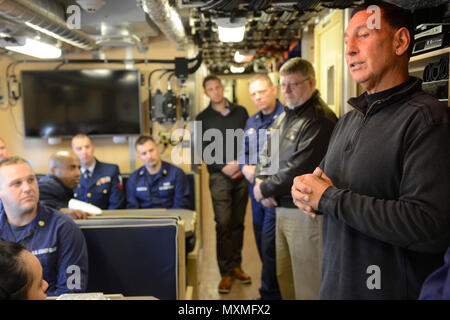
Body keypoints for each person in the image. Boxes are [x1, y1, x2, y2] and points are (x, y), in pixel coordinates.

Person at [291, 1, 450, 299]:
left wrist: (328, 197)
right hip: (337, 286)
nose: (350, 49)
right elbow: (325, 185)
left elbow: (430, 226)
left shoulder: (428, 120)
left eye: (363, 35)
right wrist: (306, 192)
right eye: (347, 39)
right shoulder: (349, 119)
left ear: (400, 41)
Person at [253, 58, 337, 300]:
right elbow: (266, 152)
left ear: (311, 83)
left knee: (307, 282)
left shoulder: (319, 119)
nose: (286, 91)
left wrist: (264, 189)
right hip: (280, 209)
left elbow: (297, 167)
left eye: (293, 84)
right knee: (285, 277)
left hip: (304, 213)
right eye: (282, 85)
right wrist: (261, 181)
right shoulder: (286, 115)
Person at [0, 156, 88, 296]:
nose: (27, 188)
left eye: (31, 180)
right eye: (17, 183)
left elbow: (72, 291)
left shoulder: (64, 227)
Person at [195, 75, 250, 294]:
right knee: (223, 222)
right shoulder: (202, 118)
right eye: (211, 89)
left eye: (218, 87)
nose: (216, 92)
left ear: (222, 88)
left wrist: (240, 164)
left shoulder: (241, 112)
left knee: (238, 222)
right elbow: (203, 149)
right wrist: (223, 166)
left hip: (242, 173)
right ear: (206, 92)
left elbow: (249, 139)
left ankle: (236, 265)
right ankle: (225, 273)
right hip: (219, 176)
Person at [238, 74, 284, 300]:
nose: (257, 97)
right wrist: (246, 169)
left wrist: (258, 178)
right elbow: (242, 154)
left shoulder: (286, 117)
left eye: (262, 92)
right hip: (256, 195)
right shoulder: (252, 121)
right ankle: (273, 288)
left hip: (276, 195)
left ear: (274, 89)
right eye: (253, 94)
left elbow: (286, 160)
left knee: (271, 246)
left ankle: (270, 295)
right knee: (259, 240)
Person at [126, 135, 191, 209]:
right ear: (139, 157)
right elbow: (132, 209)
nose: (149, 156)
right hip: (144, 219)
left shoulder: (176, 174)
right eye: (144, 153)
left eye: (151, 150)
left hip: (170, 219)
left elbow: (181, 206)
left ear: (158, 149)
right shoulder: (133, 179)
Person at [71, 134, 126, 210]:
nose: (84, 152)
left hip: (105, 219)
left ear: (93, 148)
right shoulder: (69, 174)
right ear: (73, 151)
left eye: (87, 147)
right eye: (79, 148)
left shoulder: (111, 170)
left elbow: (116, 203)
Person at [38, 151, 89, 220]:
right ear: (53, 171)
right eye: (72, 168)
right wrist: (62, 212)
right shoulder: (46, 187)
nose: (78, 173)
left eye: (79, 168)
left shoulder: (63, 187)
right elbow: (42, 212)